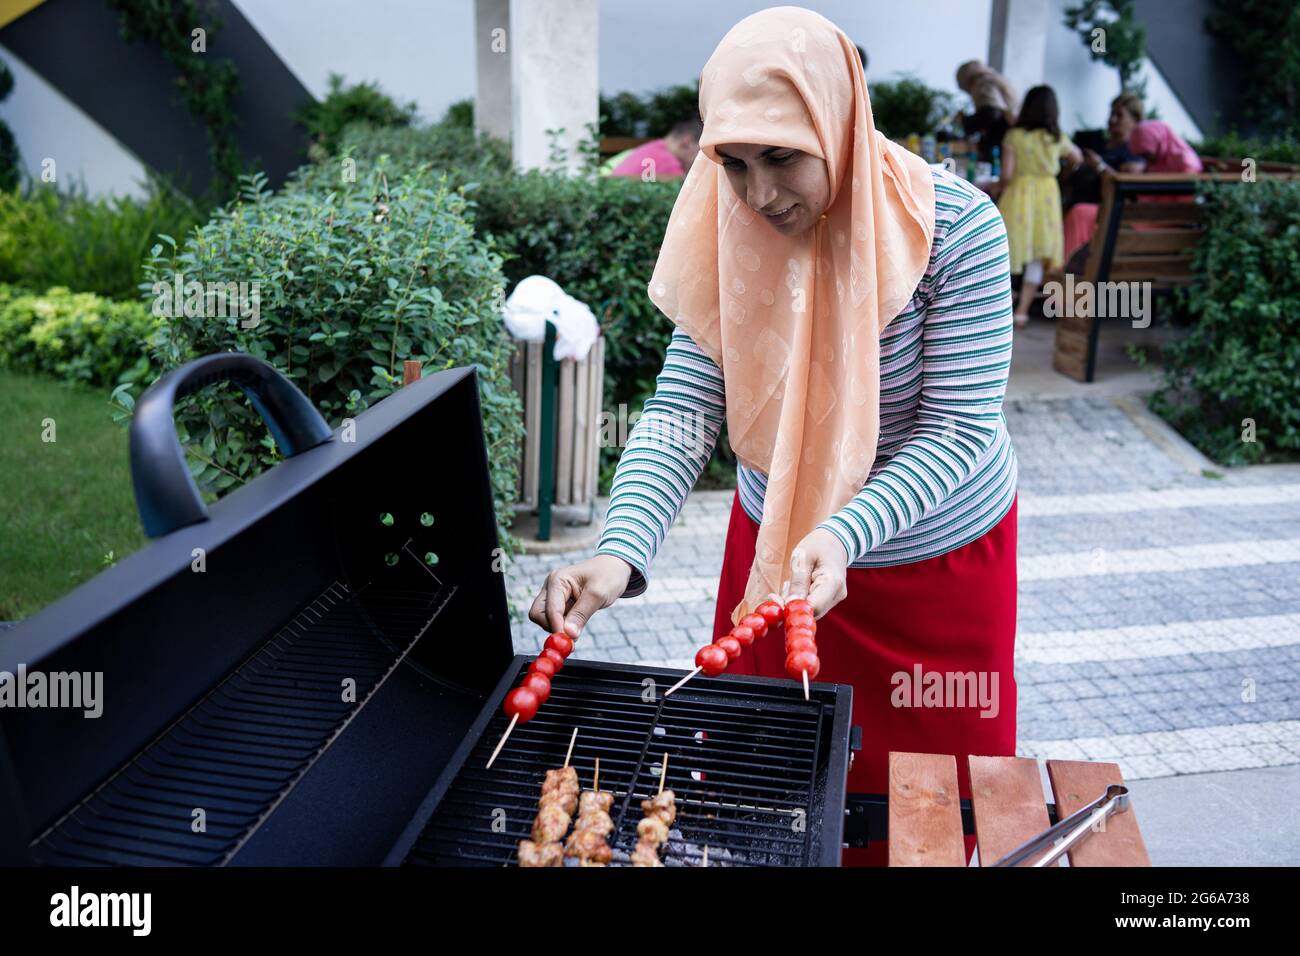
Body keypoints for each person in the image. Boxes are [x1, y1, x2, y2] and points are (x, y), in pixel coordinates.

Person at [528, 6, 1019, 867]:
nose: (759, 194)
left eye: (783, 157)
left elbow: (959, 429)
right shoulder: (732, 225)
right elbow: (684, 409)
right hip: (779, 554)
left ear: (839, 120)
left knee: (920, 822)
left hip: (931, 572)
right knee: (761, 802)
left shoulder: (958, 231)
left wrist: (842, 530)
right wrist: (617, 551)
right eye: (734, 162)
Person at [992, 84, 1082, 326]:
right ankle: (1021, 311)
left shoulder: (1014, 136)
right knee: (1036, 254)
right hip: (1047, 197)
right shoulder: (1056, 138)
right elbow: (1078, 158)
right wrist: (1063, 173)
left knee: (1010, 249)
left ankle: (1001, 306)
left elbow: (1007, 175)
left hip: (1018, 195)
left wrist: (995, 187)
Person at [1061, 93, 1146, 265]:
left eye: (1119, 115)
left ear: (1135, 121)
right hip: (1071, 203)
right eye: (1111, 114)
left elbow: (1125, 186)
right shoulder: (1097, 144)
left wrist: (1099, 166)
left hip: (1102, 214)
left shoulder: (1134, 154)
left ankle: (1063, 274)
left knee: (1079, 212)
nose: (1112, 120)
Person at [955, 60, 1019, 162]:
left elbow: (991, 115)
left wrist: (964, 120)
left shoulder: (982, 82)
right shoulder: (995, 78)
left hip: (1002, 137)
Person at [606, 115, 703, 179]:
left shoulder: (651, 149)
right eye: (701, 150)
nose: (703, 158)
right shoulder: (668, 163)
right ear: (687, 142)